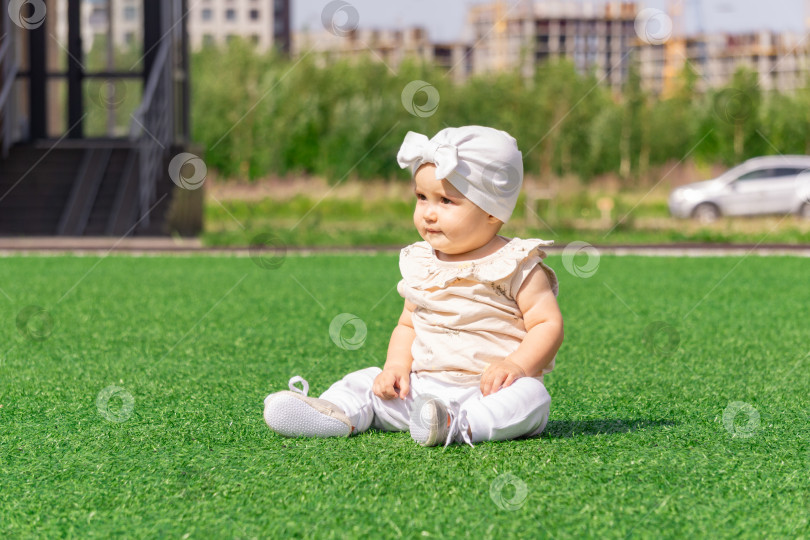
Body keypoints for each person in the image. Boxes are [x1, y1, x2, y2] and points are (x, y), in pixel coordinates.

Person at [263, 126, 564, 447]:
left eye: (446, 201)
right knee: (365, 379)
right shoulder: (422, 261)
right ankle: (335, 412)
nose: (428, 213)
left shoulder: (515, 263)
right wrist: (395, 367)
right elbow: (407, 324)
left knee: (531, 397)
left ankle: (459, 425)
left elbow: (548, 324)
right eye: (422, 198)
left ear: (492, 210)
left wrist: (516, 365)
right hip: (421, 392)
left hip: (487, 391)